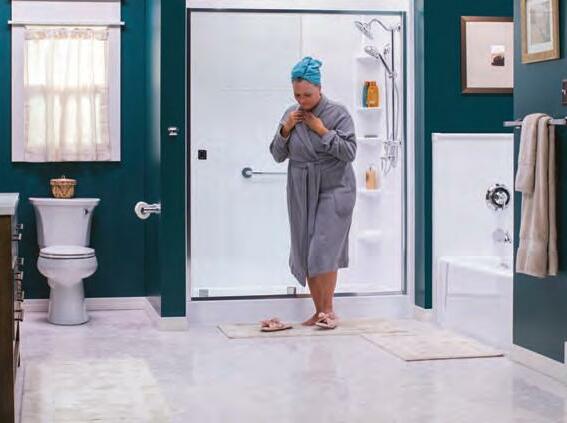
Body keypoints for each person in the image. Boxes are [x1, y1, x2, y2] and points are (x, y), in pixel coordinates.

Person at [268, 56, 357, 330]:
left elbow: (349, 152)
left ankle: (329, 310)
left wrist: (322, 131)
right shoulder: (290, 114)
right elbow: (277, 155)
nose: (302, 100)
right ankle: (320, 312)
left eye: (307, 94)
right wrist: (285, 129)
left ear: (319, 88)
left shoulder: (338, 113)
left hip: (335, 188)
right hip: (301, 190)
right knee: (306, 250)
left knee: (322, 249)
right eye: (297, 95)